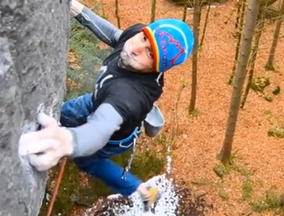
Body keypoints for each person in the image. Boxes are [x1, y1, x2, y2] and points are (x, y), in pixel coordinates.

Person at [18, 0, 194, 210]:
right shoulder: (135, 36)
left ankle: (143, 191)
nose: (136, 48)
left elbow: (100, 129)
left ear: (157, 67)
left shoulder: (128, 94)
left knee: (87, 161)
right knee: (63, 113)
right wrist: (77, 9)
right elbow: (114, 36)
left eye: (150, 54)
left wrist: (68, 141)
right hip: (94, 101)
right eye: (144, 37)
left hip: (113, 135)